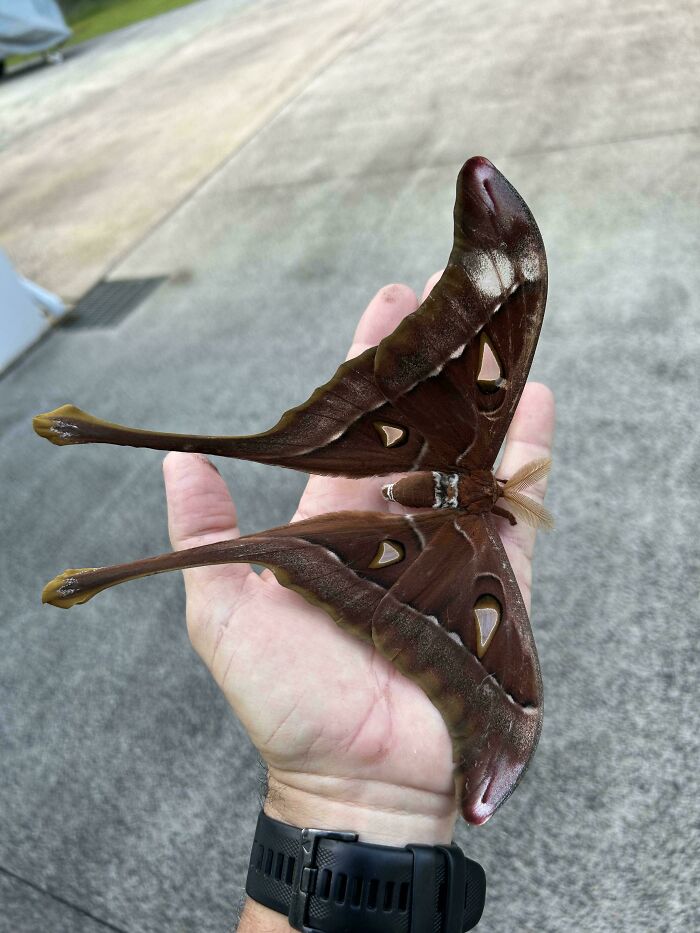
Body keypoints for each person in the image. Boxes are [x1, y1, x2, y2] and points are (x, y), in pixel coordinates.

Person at [162, 274, 556, 932]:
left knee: (301, 507)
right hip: (422, 528)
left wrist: (366, 799)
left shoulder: (484, 539)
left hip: (419, 510)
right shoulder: (485, 536)